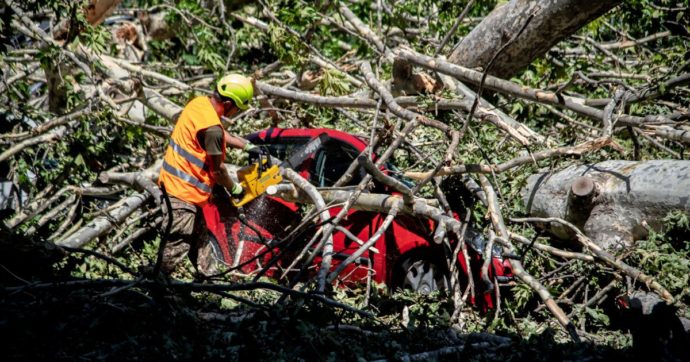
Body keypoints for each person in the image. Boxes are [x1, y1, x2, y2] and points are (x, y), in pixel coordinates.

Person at [157, 73, 255, 277]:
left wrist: (247, 146)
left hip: (178, 188)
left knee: (201, 242)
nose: (236, 113)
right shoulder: (212, 130)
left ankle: (210, 280)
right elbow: (218, 171)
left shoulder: (199, 104)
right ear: (228, 104)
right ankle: (150, 289)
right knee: (175, 250)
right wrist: (235, 189)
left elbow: (218, 133)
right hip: (182, 194)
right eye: (237, 108)